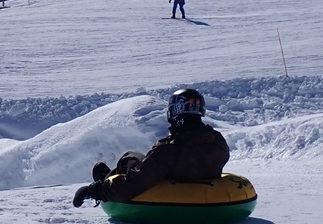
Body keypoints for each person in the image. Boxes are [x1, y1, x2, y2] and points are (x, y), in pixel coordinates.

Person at [73, 88, 229, 207]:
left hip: (167, 193)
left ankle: (107, 180)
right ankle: (110, 177)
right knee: (135, 159)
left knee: (129, 159)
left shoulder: (168, 150)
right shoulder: (217, 141)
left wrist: (93, 190)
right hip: (206, 192)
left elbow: (133, 185)